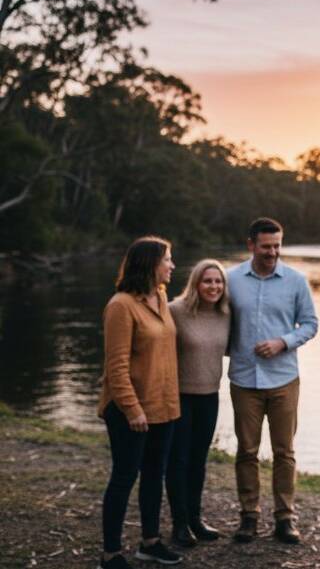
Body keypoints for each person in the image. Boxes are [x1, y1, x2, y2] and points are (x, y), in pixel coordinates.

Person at [227, 217, 319, 544]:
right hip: (243, 380)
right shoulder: (231, 279)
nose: (273, 252)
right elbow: (215, 320)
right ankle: (249, 516)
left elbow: (310, 324)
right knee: (247, 451)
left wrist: (283, 342)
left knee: (285, 452)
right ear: (251, 245)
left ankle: (285, 518)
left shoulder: (296, 281)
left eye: (277, 245)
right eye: (266, 246)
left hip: (284, 380)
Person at [97, 236, 181, 569]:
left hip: (163, 408)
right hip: (130, 411)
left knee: (153, 476)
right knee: (123, 477)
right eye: (168, 260)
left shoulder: (160, 297)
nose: (172, 265)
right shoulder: (121, 305)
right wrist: (132, 409)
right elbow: (115, 366)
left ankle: (150, 542)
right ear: (150, 264)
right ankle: (111, 553)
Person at [165, 259, 230, 547]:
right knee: (178, 461)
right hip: (180, 397)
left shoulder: (225, 313)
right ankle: (179, 525)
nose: (214, 286)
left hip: (210, 396)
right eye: (208, 281)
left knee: (198, 461)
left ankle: (195, 519)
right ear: (195, 283)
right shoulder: (175, 311)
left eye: (218, 281)